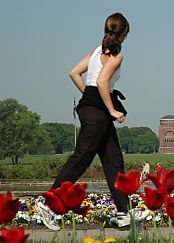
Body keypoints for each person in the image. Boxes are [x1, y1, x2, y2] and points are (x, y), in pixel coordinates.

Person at [35, 13, 148, 230]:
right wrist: (112, 110)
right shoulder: (116, 56)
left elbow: (74, 73)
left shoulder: (96, 51)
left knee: (113, 160)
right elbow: (102, 81)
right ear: (124, 34)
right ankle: (48, 203)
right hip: (98, 113)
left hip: (92, 109)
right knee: (82, 158)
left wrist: (89, 96)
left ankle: (124, 212)